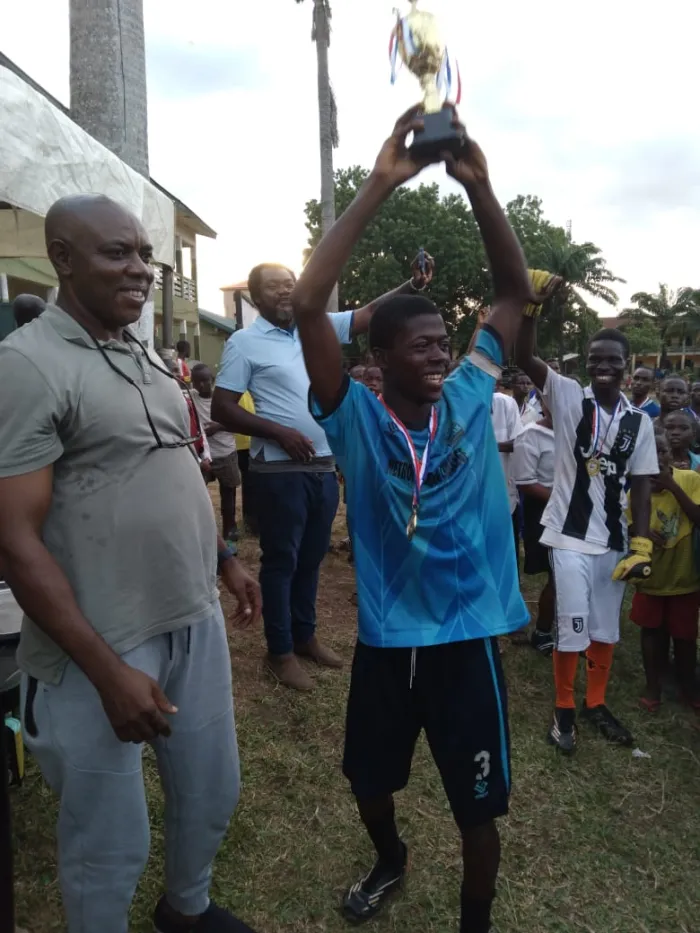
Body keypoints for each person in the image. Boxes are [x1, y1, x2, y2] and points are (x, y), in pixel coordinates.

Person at [290, 104, 551, 933]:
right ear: (380, 359)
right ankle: (391, 857)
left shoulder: (473, 392)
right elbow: (307, 305)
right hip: (388, 640)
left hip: (468, 641)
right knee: (370, 782)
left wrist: (480, 187)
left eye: (445, 341)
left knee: (480, 806)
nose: (441, 352)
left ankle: (475, 921)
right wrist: (378, 184)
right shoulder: (355, 419)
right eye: (423, 344)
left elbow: (513, 295)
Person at [0, 194, 261, 933]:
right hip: (100, 646)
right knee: (108, 842)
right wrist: (108, 672)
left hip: (193, 619)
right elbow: (14, 540)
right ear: (62, 258)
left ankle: (186, 908)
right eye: (118, 253)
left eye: (145, 254)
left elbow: (171, 466)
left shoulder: (143, 353)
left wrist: (224, 560)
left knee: (210, 790)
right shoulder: (26, 366)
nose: (141, 269)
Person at [210, 254, 435, 692]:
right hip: (280, 471)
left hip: (324, 467)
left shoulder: (318, 326)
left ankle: (305, 635)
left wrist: (412, 285)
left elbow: (370, 314)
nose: (286, 290)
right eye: (274, 285)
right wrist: (278, 432)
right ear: (255, 297)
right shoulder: (244, 342)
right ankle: (279, 652)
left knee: (312, 557)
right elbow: (222, 407)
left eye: (290, 281)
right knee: (282, 562)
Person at [516, 321, 658, 754]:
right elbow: (524, 356)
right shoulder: (568, 396)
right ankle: (563, 709)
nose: (603, 366)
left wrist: (642, 543)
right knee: (573, 624)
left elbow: (643, 484)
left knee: (604, 628)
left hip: (613, 541)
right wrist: (530, 312)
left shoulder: (639, 422)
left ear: (626, 365)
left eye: (613, 359)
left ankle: (595, 702)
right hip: (568, 536)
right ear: (587, 362)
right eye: (595, 358)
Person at [629, 430, 700, 711]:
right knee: (651, 632)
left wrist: (672, 486)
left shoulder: (690, 479)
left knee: (685, 637)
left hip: (685, 576)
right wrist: (641, 531)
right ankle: (653, 685)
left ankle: (688, 687)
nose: (656, 458)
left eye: (662, 451)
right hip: (652, 578)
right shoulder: (636, 488)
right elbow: (628, 525)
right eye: (649, 452)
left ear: (672, 454)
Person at [512, 399, 556, 655]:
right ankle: (542, 631)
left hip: (579, 511)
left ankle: (576, 629)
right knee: (557, 573)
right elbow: (526, 481)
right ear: (542, 403)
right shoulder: (531, 434)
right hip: (544, 509)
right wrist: (565, 500)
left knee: (575, 574)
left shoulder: (582, 430)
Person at [191, 363, 241, 542]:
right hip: (203, 456)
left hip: (225, 453)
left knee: (228, 494)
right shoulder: (191, 398)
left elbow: (240, 423)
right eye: (197, 382)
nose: (201, 385)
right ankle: (202, 531)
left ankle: (230, 530)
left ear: (212, 380)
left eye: (205, 380)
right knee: (197, 494)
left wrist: (218, 427)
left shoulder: (223, 400)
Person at [491, 390, 523, 560]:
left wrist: (487, 445)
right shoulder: (456, 402)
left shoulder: (505, 403)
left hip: (501, 488)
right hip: (468, 493)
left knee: (506, 549)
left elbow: (519, 442)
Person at [234, 391, 258, 536]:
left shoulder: (249, 390)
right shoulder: (236, 389)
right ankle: (251, 523)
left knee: (254, 484)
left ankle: (253, 522)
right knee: (249, 484)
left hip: (254, 441)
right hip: (243, 444)